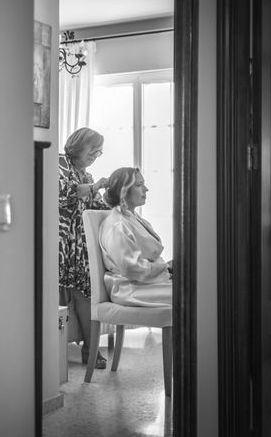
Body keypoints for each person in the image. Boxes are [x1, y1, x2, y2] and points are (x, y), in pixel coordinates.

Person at [58, 127, 110, 368]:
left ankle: (91, 349)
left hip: (80, 246)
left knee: (86, 293)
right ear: (80, 144)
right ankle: (52, 352)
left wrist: (115, 202)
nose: (97, 154)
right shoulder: (60, 162)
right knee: (57, 295)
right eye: (94, 148)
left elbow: (95, 206)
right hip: (59, 243)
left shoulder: (87, 176)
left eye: (99, 151)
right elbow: (63, 193)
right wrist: (95, 187)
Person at [99, 167, 173, 308]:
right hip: (130, 289)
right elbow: (132, 269)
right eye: (139, 185)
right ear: (124, 191)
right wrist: (166, 267)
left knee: (198, 284)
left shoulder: (131, 217)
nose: (146, 189)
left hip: (145, 283)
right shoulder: (118, 225)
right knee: (194, 292)